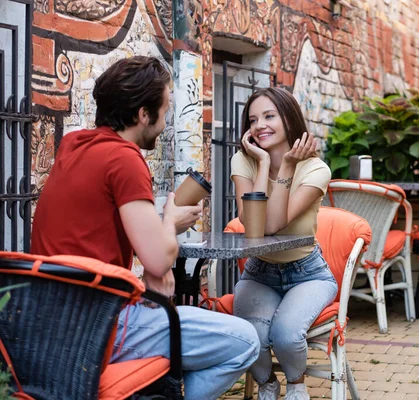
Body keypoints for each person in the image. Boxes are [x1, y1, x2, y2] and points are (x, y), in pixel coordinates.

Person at [31, 56, 259, 400]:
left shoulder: (73, 146)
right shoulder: (124, 158)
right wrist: (170, 219)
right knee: (245, 341)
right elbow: (157, 260)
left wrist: (153, 258)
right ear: (142, 114)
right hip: (101, 325)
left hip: (50, 322)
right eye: (165, 111)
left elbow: (94, 228)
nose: (166, 122)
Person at [230, 87, 335, 400]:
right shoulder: (244, 161)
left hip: (308, 273)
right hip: (260, 270)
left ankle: (296, 385)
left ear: (289, 120)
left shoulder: (316, 169)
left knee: (286, 335)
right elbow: (254, 225)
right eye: (252, 119)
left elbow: (274, 224)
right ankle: (267, 384)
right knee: (251, 337)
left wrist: (286, 166)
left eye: (269, 116)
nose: (259, 124)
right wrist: (263, 163)